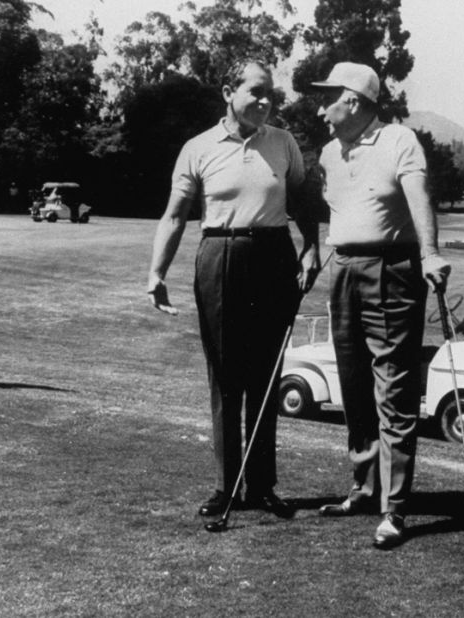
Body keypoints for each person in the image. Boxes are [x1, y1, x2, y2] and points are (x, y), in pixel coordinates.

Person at [146, 60, 320, 520]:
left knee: (266, 376)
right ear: (228, 90)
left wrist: (310, 248)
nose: (265, 101)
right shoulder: (198, 147)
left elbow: (302, 201)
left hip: (274, 256)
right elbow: (174, 215)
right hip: (219, 256)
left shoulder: (283, 143)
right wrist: (156, 273)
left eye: (271, 95)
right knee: (226, 376)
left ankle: (261, 485)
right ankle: (226, 487)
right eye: (256, 92)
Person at [308, 62, 451, 549]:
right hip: (343, 268)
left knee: (394, 387)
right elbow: (334, 208)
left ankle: (395, 508)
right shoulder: (329, 151)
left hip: (391, 270)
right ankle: (365, 489)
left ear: (353, 101)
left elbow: (419, 198)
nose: (320, 107)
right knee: (352, 383)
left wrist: (430, 253)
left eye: (327, 97)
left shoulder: (399, 141)